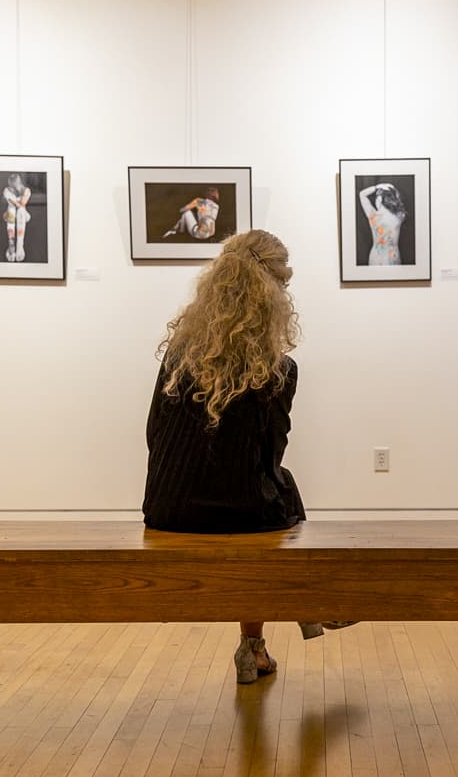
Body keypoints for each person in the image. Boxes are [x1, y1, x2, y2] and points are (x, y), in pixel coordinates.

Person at [143, 229, 353, 684]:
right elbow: (269, 456)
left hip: (165, 510)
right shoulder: (278, 370)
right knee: (282, 490)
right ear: (272, 294)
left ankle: (254, 649)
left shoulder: (177, 357)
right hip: (238, 512)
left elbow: (153, 436)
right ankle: (310, 606)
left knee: (272, 494)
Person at [358, 182, 406, 264]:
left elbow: (362, 194)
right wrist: (391, 189)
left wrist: (377, 187)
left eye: (376, 197)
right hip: (393, 257)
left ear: (379, 199)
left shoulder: (373, 215)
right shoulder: (399, 215)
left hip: (376, 257)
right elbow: (398, 200)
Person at [2, 173, 32, 261]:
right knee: (12, 211)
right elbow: (14, 204)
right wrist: (15, 203)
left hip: (21, 213)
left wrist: (15, 201)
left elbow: (22, 203)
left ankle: (20, 245)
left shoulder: (26, 190)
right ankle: (11, 244)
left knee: (21, 211)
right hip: (11, 212)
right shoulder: (6, 190)